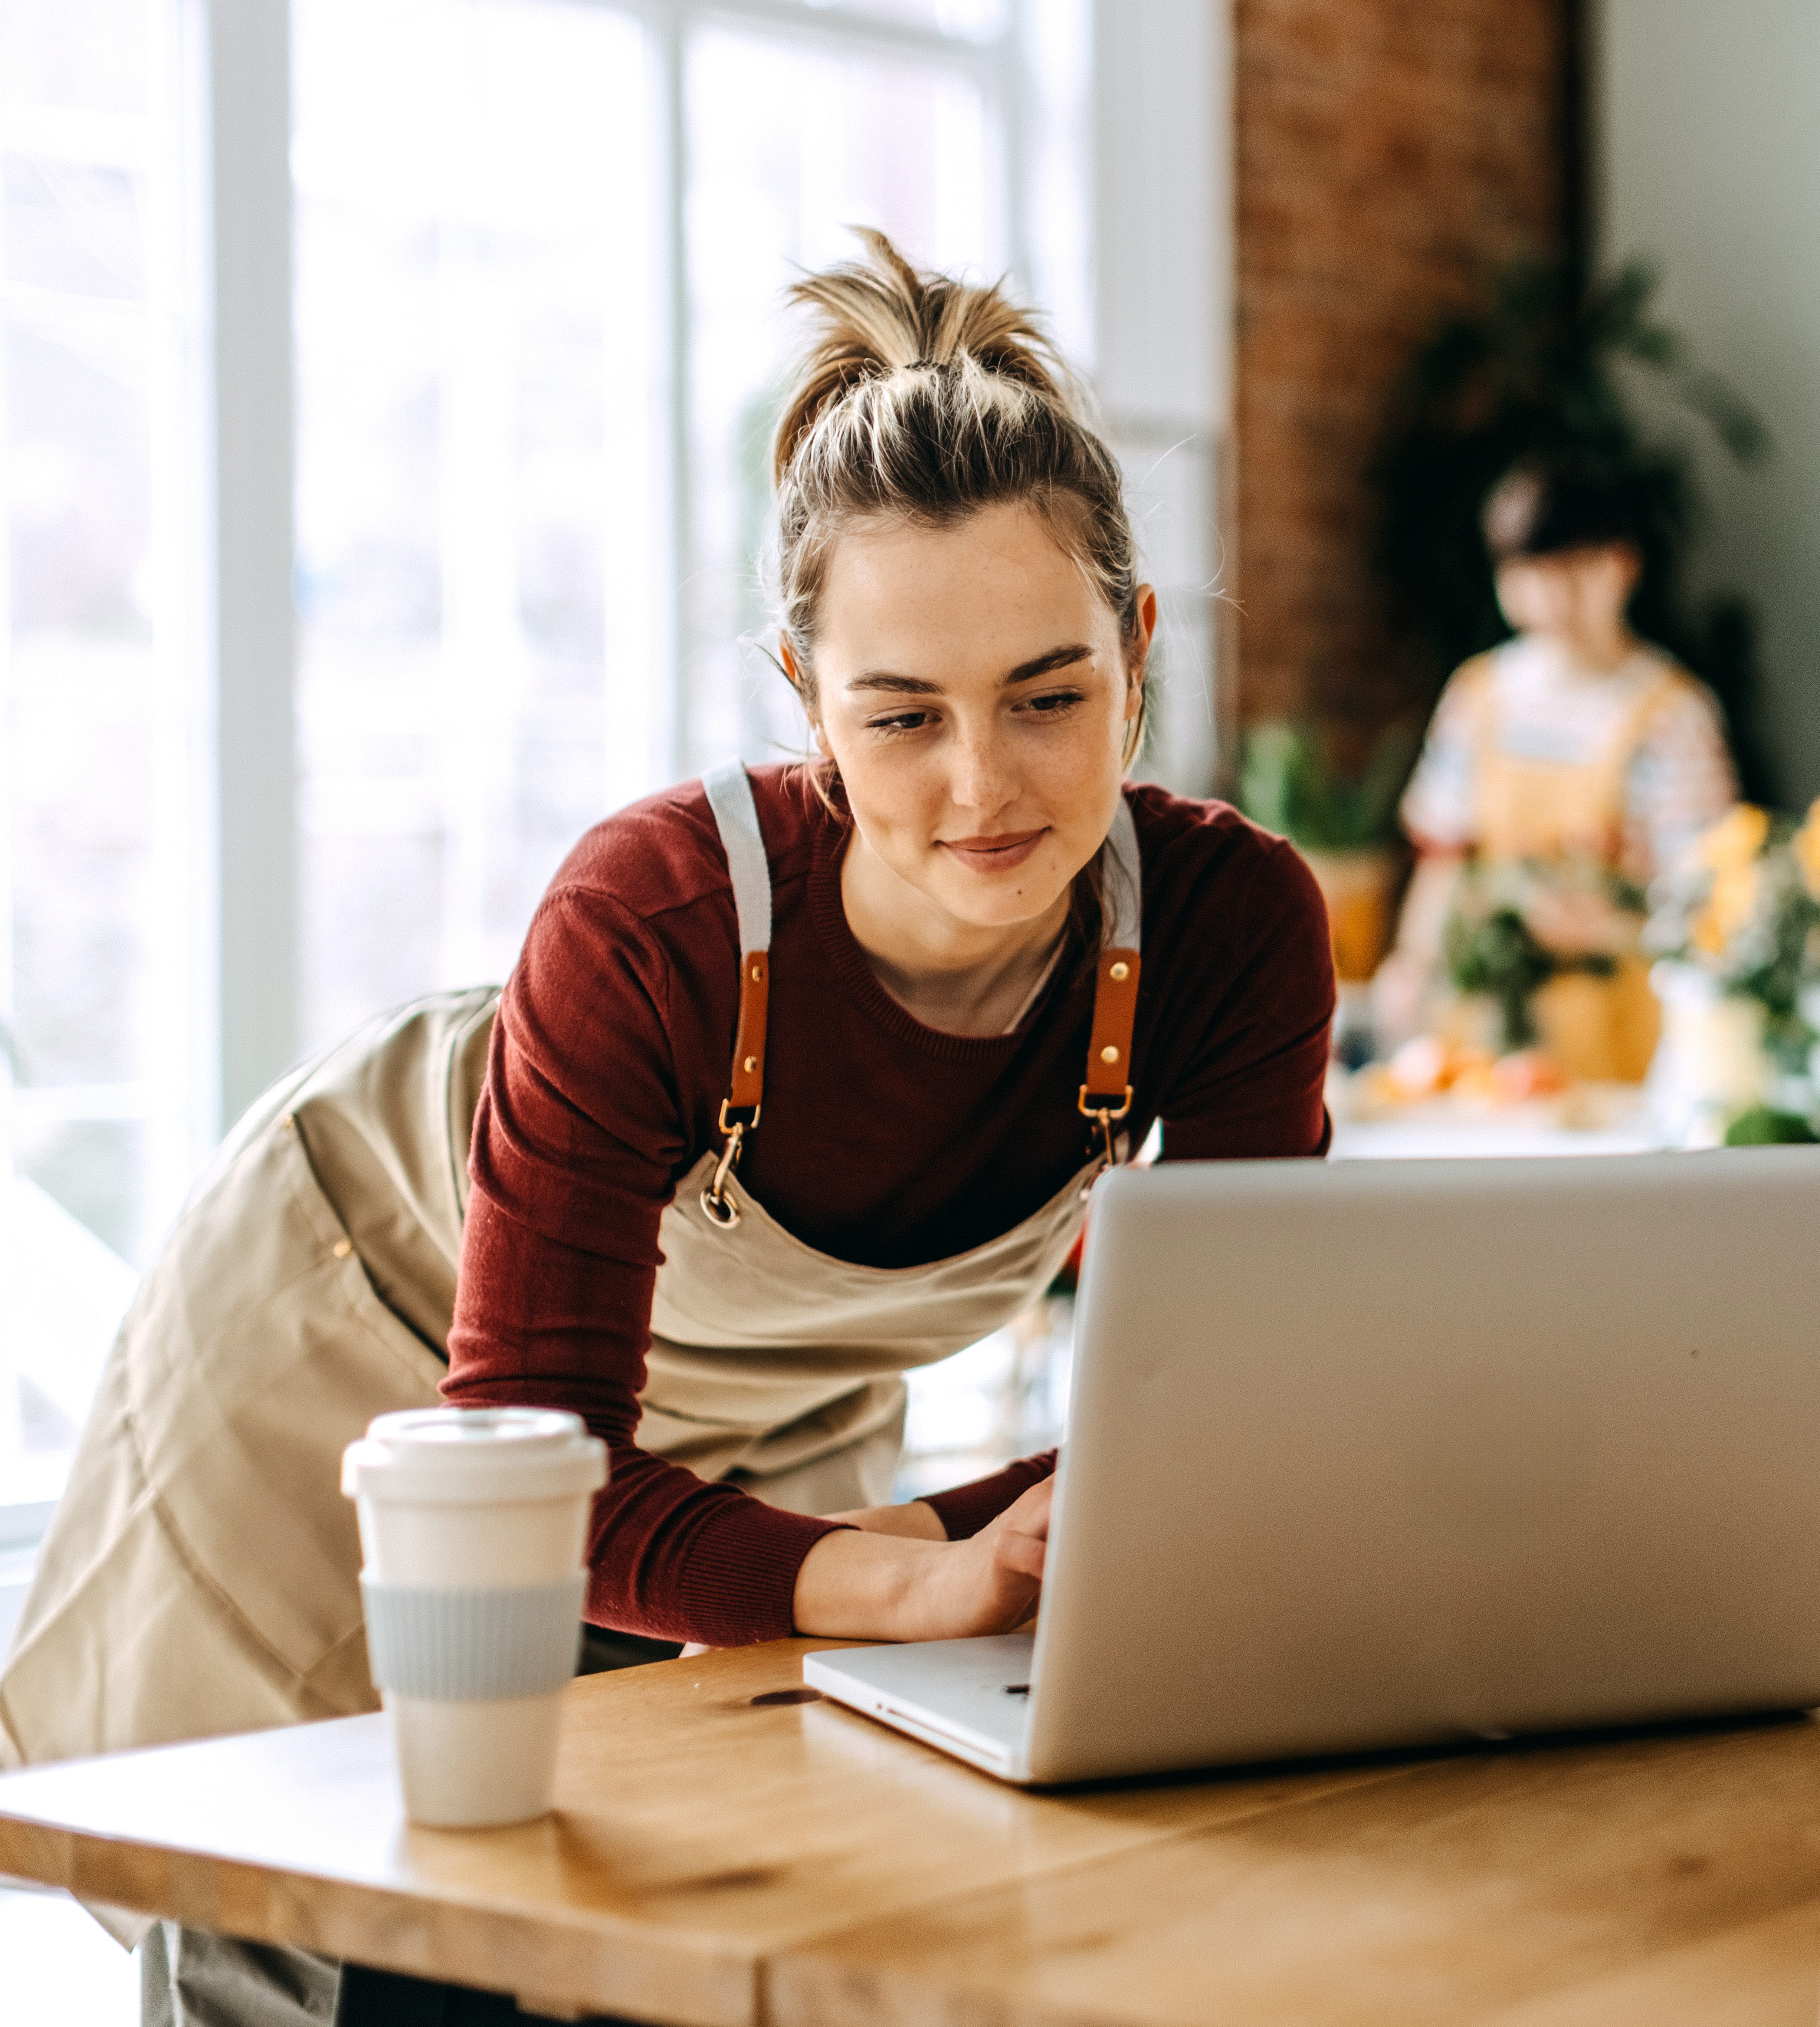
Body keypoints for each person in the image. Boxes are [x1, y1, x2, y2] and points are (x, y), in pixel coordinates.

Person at [0, 232, 1334, 2022]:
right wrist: (905, 1570)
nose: (983, 787)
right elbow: (532, 1472)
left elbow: (1221, 1414)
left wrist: (920, 1562)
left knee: (711, 1865)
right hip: (360, 1324)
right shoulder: (655, 923)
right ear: (803, 699)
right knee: (323, 1900)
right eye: (901, 715)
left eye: (1048, 694)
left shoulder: (1225, 926)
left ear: (1138, 646)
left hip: (739, 1400)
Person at [1375, 459, 1737, 1083]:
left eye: (1571, 571)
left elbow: (1710, 898)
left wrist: (1613, 928)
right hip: (1484, 1028)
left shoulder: (1672, 714)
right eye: (1526, 574)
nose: (1548, 597)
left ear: (1621, 566)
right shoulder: (1478, 696)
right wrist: (1409, 965)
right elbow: (1445, 857)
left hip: (1621, 1034)